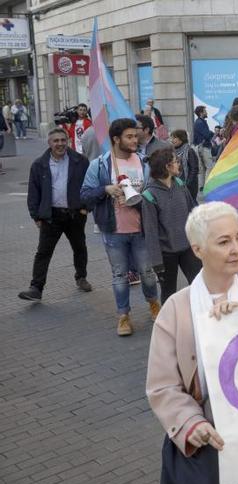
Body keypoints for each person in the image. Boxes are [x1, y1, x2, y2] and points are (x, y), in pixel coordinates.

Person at [146, 202, 238, 484]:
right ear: (197, 250)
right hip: (208, 443)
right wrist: (192, 424)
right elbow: (162, 386)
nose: (236, 248)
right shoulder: (176, 310)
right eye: (223, 241)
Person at [80, 118, 161, 336]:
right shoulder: (100, 164)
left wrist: (145, 197)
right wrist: (106, 189)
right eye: (130, 136)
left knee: (147, 272)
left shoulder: (144, 162)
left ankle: (154, 303)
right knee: (119, 274)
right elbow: (85, 194)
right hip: (114, 230)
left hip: (142, 229)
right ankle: (123, 316)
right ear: (116, 139)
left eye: (136, 135)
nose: (136, 139)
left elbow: (156, 190)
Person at [19, 128, 92, 301]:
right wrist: (36, 216)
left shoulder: (80, 161)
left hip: (75, 214)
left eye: (62, 140)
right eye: (55, 141)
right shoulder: (39, 164)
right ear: (49, 143)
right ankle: (36, 288)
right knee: (43, 252)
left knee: (79, 247)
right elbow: (33, 192)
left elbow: (90, 185)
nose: (60, 144)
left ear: (67, 141)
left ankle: (81, 277)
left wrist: (85, 207)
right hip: (51, 216)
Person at [142, 148, 200, 303]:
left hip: (188, 248)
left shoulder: (180, 184)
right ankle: (168, 324)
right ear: (167, 167)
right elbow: (150, 232)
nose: (179, 164)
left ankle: (202, 318)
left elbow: (193, 212)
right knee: (169, 293)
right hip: (166, 254)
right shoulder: (149, 195)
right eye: (176, 161)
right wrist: (156, 262)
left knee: (200, 285)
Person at [169, 129, 200, 200]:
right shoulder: (173, 151)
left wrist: (187, 184)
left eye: (174, 138)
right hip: (176, 184)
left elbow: (194, 170)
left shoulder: (189, 151)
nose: (172, 140)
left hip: (189, 185)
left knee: (191, 204)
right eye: (171, 138)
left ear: (181, 138)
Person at [192, 105, 214, 190]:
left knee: (203, 168)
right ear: (201, 113)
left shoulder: (199, 122)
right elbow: (207, 134)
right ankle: (207, 186)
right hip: (204, 148)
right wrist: (212, 134)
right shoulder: (200, 123)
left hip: (200, 147)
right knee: (209, 167)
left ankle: (202, 186)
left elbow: (207, 133)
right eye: (205, 111)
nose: (206, 112)